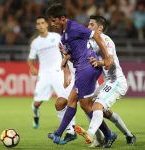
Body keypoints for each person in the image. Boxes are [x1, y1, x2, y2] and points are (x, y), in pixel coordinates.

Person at [46, 4, 116, 148]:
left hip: (87, 68)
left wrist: (107, 57)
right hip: (81, 68)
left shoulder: (73, 27)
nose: (52, 24)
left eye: (54, 21)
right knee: (83, 105)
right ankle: (108, 134)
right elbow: (73, 51)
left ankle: (59, 134)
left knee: (76, 102)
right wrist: (66, 57)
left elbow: (95, 35)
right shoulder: (64, 34)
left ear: (63, 18)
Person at [75, 15, 136, 148]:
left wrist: (99, 62)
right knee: (89, 104)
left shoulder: (106, 41)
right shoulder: (90, 41)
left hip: (117, 82)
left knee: (97, 105)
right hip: (107, 81)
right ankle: (128, 135)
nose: (88, 27)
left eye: (91, 25)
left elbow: (110, 62)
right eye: (88, 24)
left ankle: (90, 133)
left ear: (100, 28)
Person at [27, 16, 77, 144]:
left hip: (57, 72)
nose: (41, 25)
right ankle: (36, 114)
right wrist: (32, 67)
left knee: (66, 100)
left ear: (46, 25)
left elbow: (65, 50)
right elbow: (30, 58)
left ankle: (71, 128)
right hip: (43, 74)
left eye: (43, 22)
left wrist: (66, 69)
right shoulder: (35, 43)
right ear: (37, 26)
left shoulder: (55, 37)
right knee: (37, 103)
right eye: (38, 23)